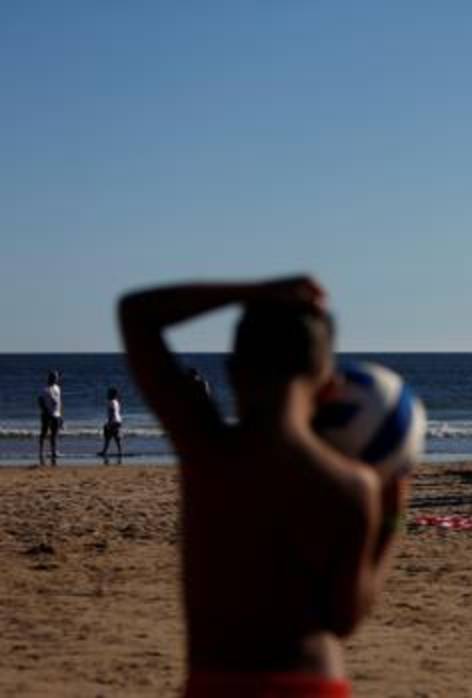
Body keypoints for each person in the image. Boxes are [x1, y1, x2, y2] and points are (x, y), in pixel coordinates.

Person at [117, 276, 405, 696]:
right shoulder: (351, 485)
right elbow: (344, 619)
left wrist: (252, 292)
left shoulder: (207, 449)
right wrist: (393, 515)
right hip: (313, 683)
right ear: (328, 387)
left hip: (218, 681)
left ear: (232, 371)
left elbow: (136, 313)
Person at [37, 370, 62, 465]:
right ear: (49, 378)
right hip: (47, 414)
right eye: (53, 376)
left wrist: (60, 415)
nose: (55, 378)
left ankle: (54, 452)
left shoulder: (58, 388)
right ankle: (41, 452)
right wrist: (45, 411)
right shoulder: (45, 389)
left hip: (56, 414)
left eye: (56, 376)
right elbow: (39, 401)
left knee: (54, 434)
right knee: (43, 433)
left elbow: (59, 402)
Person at [98, 387, 123, 459]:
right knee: (115, 437)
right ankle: (119, 451)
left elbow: (112, 412)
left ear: (111, 394)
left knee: (108, 436)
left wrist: (109, 423)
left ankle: (105, 451)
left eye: (108, 393)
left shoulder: (111, 402)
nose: (107, 395)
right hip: (118, 420)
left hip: (113, 421)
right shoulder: (116, 402)